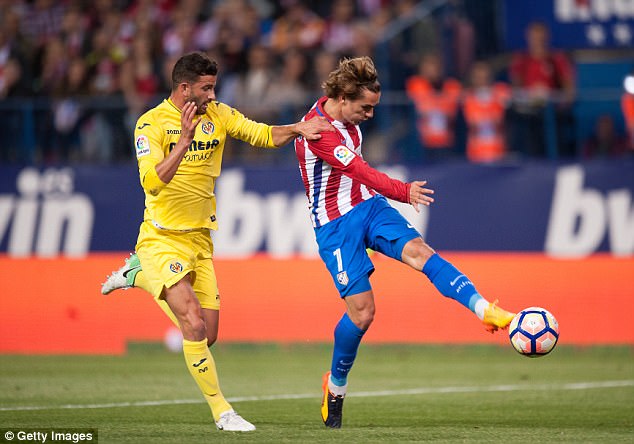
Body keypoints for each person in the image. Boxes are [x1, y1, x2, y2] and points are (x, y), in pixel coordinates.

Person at [100, 51, 332, 432]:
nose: (211, 95)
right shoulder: (151, 124)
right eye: (205, 88)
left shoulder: (219, 115)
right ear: (184, 87)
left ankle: (138, 275)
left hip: (200, 240)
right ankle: (223, 412)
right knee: (191, 323)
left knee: (207, 335)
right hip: (161, 238)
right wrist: (184, 141)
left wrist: (296, 129)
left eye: (214, 87)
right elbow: (152, 182)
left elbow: (260, 133)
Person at [293, 56, 515, 428]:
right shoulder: (318, 130)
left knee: (421, 253)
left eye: (373, 107)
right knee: (363, 313)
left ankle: (483, 309)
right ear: (344, 98)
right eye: (365, 107)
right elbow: (358, 169)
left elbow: (359, 178)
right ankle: (335, 386)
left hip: (368, 206)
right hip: (334, 225)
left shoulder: (348, 116)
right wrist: (403, 190)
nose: (370, 114)